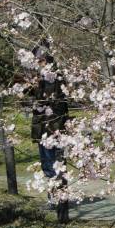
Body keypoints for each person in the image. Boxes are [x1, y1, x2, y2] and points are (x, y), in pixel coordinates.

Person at [30, 45, 69, 189]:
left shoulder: (56, 78)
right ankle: (53, 196)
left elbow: (56, 102)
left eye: (40, 61)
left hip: (54, 126)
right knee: (46, 163)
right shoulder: (38, 78)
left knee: (55, 163)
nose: (38, 64)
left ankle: (59, 198)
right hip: (42, 126)